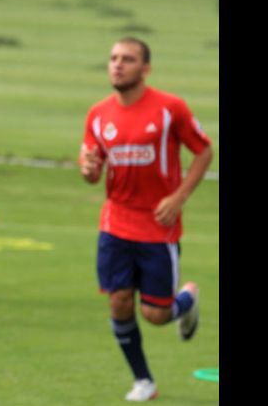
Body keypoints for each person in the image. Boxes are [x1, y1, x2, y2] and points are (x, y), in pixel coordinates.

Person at [79, 37, 213, 402]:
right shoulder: (98, 114)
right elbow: (91, 169)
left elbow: (204, 151)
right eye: (113, 58)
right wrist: (88, 169)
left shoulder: (171, 109)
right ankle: (144, 381)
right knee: (119, 302)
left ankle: (186, 300)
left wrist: (179, 198)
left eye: (128, 59)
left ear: (146, 68)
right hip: (115, 224)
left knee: (156, 314)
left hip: (158, 226)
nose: (118, 64)